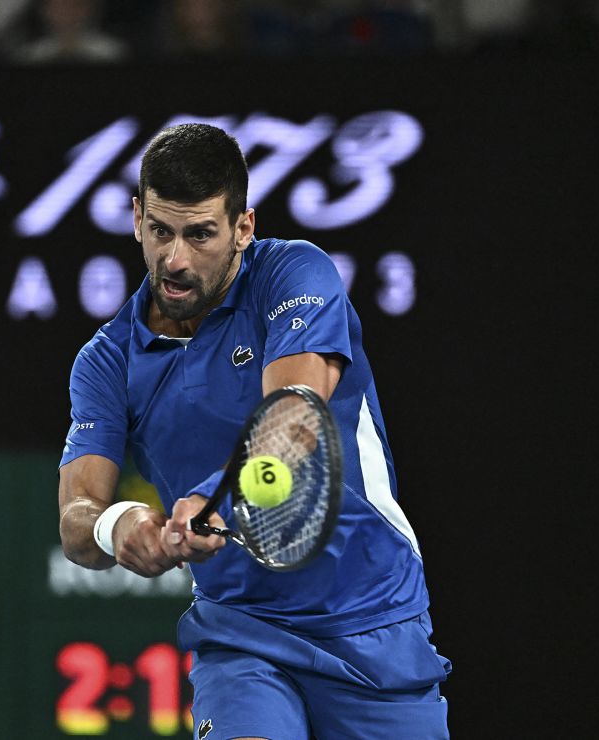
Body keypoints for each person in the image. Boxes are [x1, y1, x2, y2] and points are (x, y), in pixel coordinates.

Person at [58, 123, 450, 739]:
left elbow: (295, 418)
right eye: (160, 231)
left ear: (243, 227)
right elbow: (76, 516)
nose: (176, 259)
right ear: (137, 218)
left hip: (372, 617)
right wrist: (117, 525)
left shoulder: (294, 276)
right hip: (241, 635)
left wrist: (220, 501)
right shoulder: (106, 361)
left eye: (200, 234)